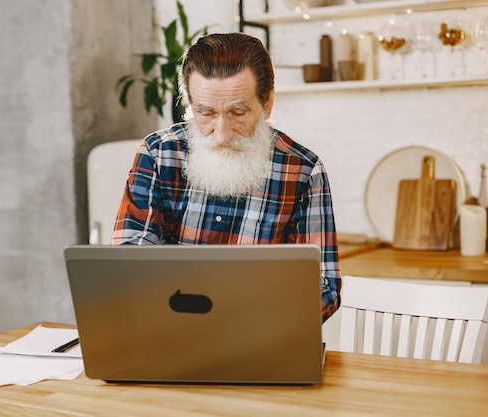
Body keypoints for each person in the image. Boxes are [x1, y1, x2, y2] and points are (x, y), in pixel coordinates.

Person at [111, 32, 341, 322]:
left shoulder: (304, 170)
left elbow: (323, 287)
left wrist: (256, 321)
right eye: (205, 113)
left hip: (260, 341)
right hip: (168, 335)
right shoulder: (158, 154)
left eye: (238, 112)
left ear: (267, 102)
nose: (221, 135)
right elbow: (129, 261)